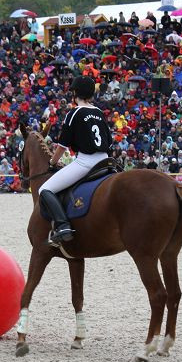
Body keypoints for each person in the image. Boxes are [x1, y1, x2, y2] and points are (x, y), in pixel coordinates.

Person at [38, 76, 111, 244]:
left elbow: (63, 145)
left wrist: (52, 163)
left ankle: (63, 226)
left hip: (86, 162)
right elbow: (109, 141)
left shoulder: (74, 112)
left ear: (75, 92)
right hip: (105, 160)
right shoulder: (99, 113)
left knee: (45, 189)